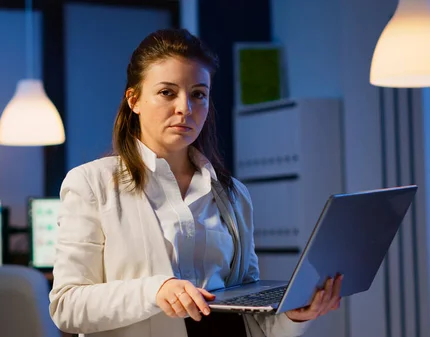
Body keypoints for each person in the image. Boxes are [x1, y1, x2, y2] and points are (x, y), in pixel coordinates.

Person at [48, 28, 342, 337]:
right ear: (134, 100)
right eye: (167, 92)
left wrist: (295, 316)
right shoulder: (91, 184)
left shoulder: (233, 195)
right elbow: (67, 307)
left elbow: (252, 320)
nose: (185, 108)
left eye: (198, 94)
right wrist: (155, 291)